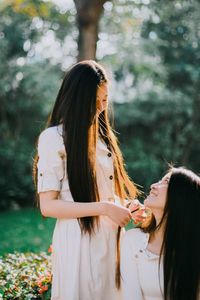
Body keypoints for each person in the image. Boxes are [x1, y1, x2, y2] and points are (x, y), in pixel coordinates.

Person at [33, 60, 139, 300]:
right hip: (79, 242)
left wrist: (126, 207)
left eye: (105, 99)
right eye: (96, 100)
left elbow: (105, 191)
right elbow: (48, 206)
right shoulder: (54, 139)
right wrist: (104, 208)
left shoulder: (102, 138)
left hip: (111, 240)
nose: (102, 107)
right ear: (78, 99)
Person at [120, 167, 200, 300]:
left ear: (183, 197)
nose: (153, 186)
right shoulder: (133, 241)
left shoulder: (195, 251)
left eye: (166, 182)